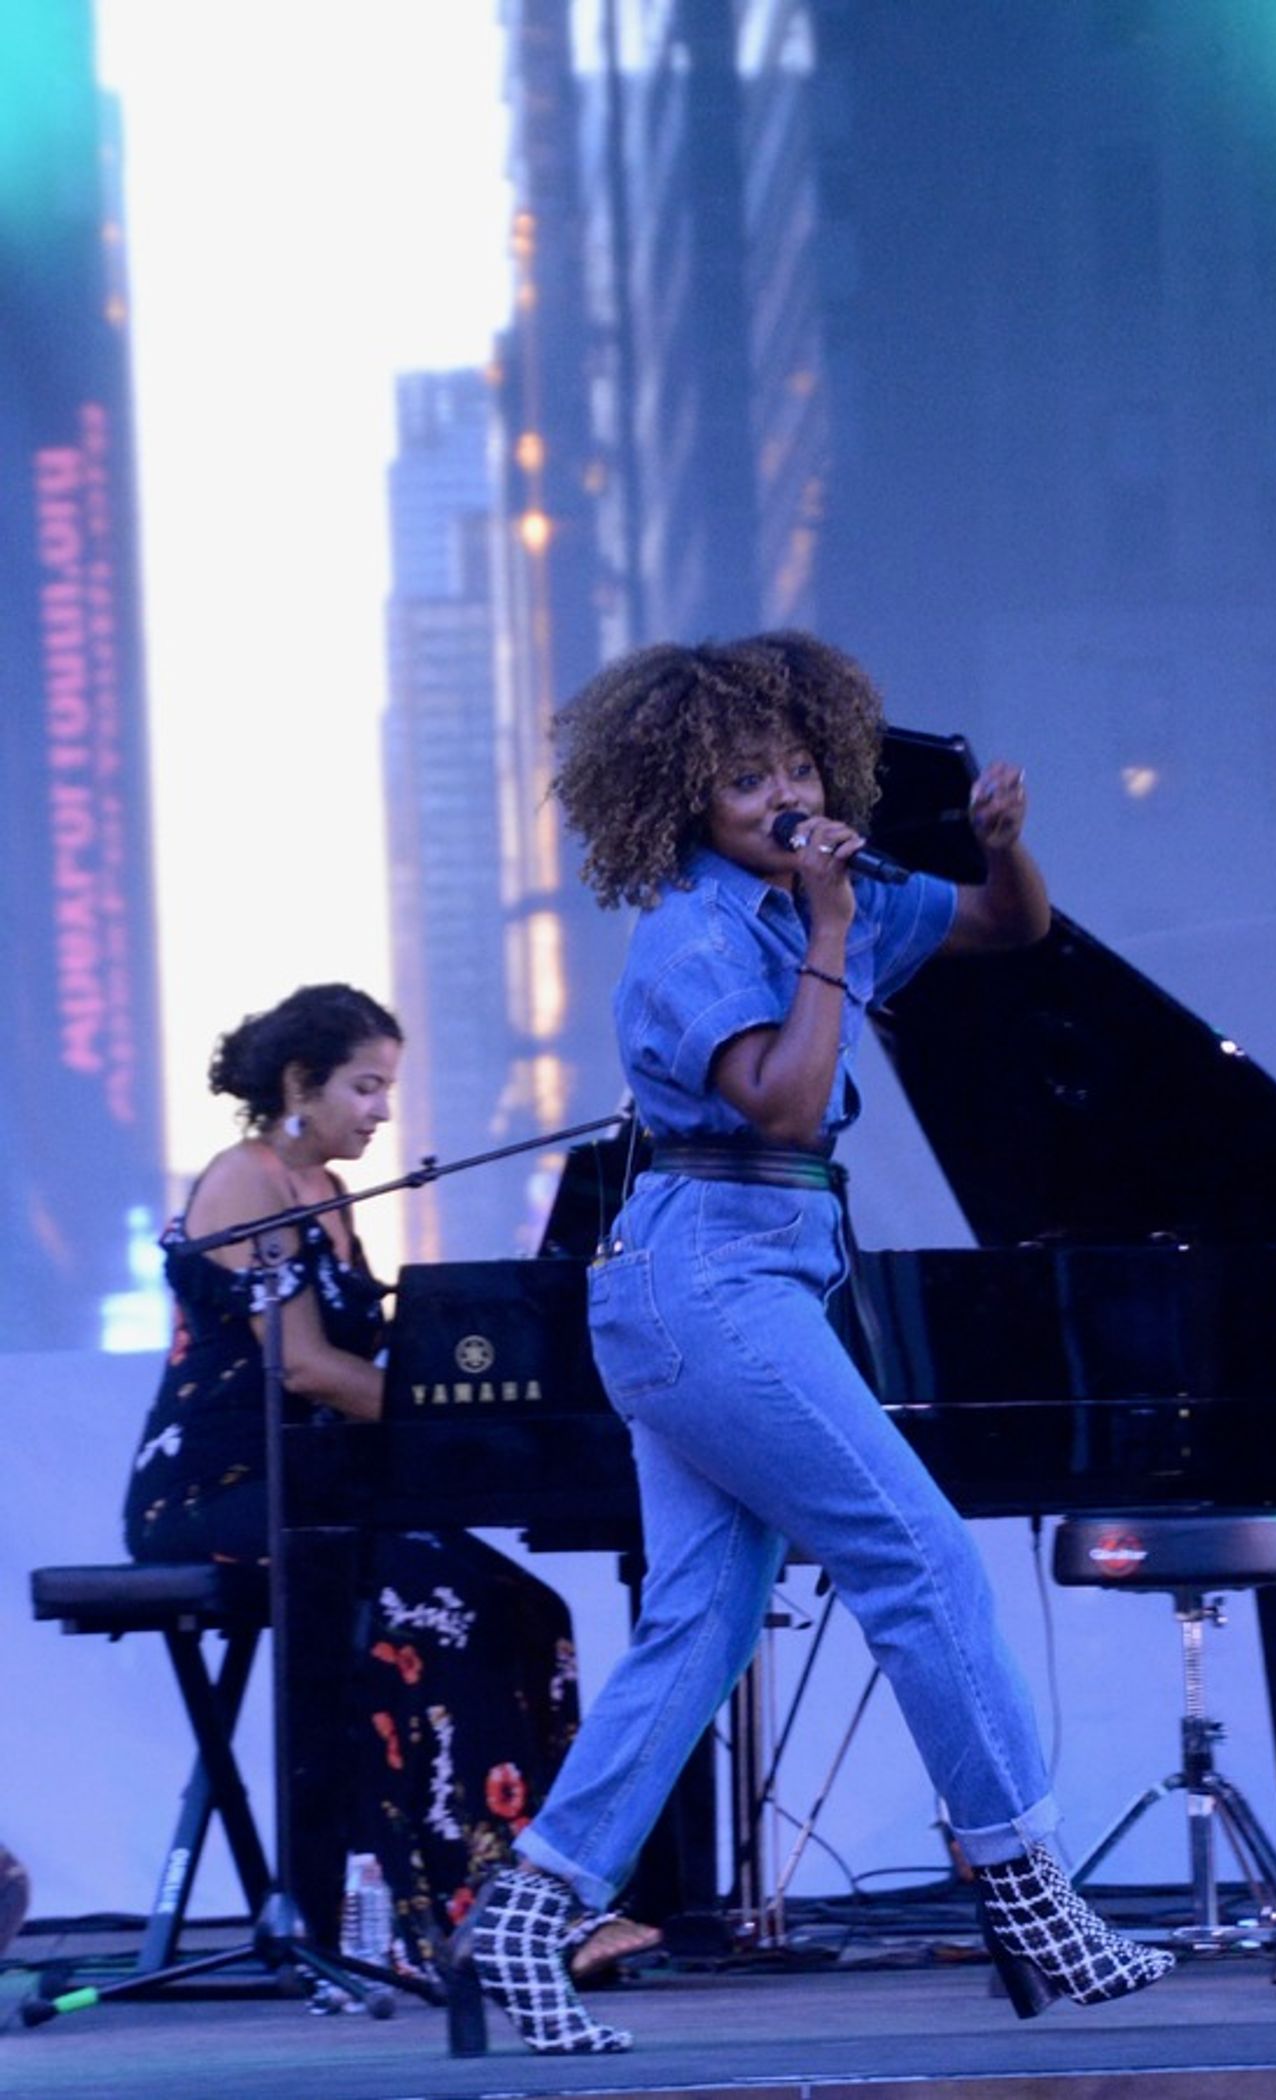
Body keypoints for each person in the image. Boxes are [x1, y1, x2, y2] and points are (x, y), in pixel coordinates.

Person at [458, 632, 1175, 2053]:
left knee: (703, 1625)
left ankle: (523, 1917)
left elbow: (1007, 929)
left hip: (740, 1279)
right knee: (919, 1557)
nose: (784, 794)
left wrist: (998, 846)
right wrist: (834, 930)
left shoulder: (814, 899)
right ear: (687, 801)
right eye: (746, 779)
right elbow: (783, 1106)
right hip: (704, 1282)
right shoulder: (697, 933)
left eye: (796, 765)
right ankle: (1029, 1890)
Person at [122, 983, 652, 1980]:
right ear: (299, 1083)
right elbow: (306, 1367)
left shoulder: (323, 1194)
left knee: (527, 1606)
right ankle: (464, 1915)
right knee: (441, 1604)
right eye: (365, 1087)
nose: (381, 1111)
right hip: (214, 1493)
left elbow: (368, 1368)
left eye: (387, 1089)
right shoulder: (244, 1180)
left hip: (315, 1491)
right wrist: (467, 1424)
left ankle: (547, 1899)